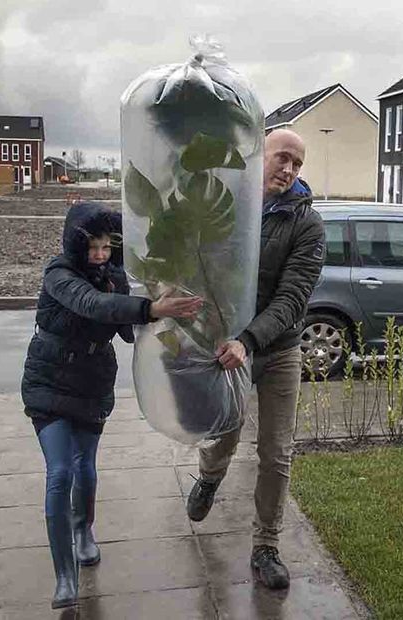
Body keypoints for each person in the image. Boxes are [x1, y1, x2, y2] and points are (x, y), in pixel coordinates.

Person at [21, 202, 203, 609]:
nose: (100, 255)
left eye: (107, 247)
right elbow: (92, 305)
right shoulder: (59, 274)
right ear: (76, 244)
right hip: (49, 381)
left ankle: (84, 533)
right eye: (93, 247)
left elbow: (124, 329)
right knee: (60, 472)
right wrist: (149, 307)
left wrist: (165, 309)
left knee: (85, 467)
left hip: (91, 383)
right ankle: (65, 577)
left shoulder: (113, 277)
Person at [185, 129, 326, 590]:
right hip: (230, 345)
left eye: (297, 164)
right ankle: (209, 477)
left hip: (278, 348)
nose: (288, 169)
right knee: (225, 432)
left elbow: (293, 298)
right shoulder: (230, 206)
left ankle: (266, 546)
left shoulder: (307, 224)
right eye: (282, 158)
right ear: (259, 157)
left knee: (277, 452)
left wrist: (249, 339)